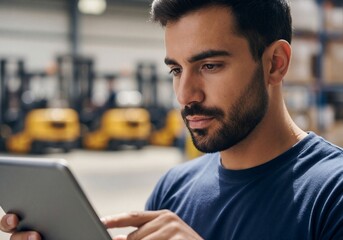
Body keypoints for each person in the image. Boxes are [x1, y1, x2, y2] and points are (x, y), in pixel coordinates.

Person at [1, 0, 343, 239]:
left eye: (209, 66)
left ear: (275, 63)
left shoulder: (331, 193)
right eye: (176, 70)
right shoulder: (174, 188)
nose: (184, 95)